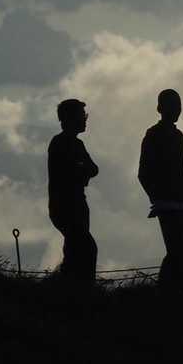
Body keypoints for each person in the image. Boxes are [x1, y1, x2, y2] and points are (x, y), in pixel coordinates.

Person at [138, 88, 183, 295]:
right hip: (167, 202)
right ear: (161, 108)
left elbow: (181, 168)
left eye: (178, 106)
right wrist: (158, 198)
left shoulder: (178, 136)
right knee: (176, 251)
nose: (177, 110)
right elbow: (143, 172)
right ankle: (167, 295)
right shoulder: (153, 135)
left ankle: (180, 293)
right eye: (173, 106)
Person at [48, 98, 99, 282]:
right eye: (81, 116)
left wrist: (79, 168)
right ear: (70, 119)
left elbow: (93, 169)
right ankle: (80, 288)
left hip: (77, 204)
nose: (85, 120)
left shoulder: (77, 144)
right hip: (65, 206)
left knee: (76, 250)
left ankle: (72, 286)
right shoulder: (59, 143)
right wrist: (80, 169)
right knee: (86, 248)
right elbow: (69, 172)